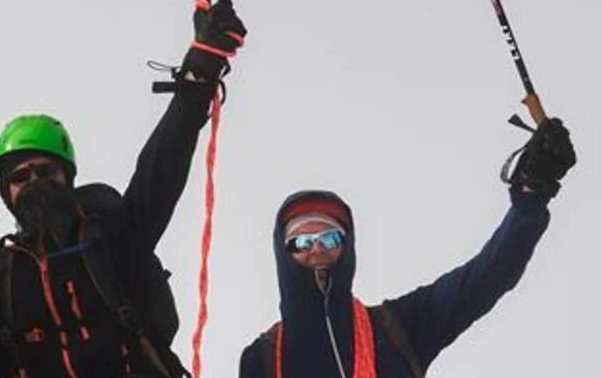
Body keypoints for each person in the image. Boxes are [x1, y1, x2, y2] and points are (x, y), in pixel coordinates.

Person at [0, 0, 248, 378]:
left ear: (68, 178)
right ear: (6, 192)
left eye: (47, 171)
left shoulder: (114, 232)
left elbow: (160, 169)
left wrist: (198, 77)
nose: (35, 183)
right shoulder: (1, 280)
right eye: (21, 176)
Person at [237, 119, 577, 378]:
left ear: (347, 248)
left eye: (329, 238)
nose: (317, 250)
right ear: (284, 254)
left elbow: (486, 277)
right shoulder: (264, 358)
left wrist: (532, 195)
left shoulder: (398, 326)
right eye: (301, 243)